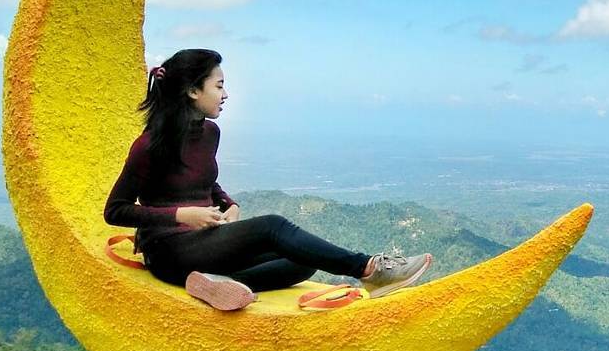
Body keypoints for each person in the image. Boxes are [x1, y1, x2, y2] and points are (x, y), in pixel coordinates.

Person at [104, 48, 432, 310]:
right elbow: (115, 210)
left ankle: (212, 282)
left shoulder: (209, 134)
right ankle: (369, 269)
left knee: (302, 262)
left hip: (203, 247)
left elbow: (207, 183)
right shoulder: (148, 145)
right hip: (167, 251)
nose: (226, 94)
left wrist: (227, 204)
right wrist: (181, 215)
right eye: (218, 86)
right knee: (273, 227)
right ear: (192, 90)